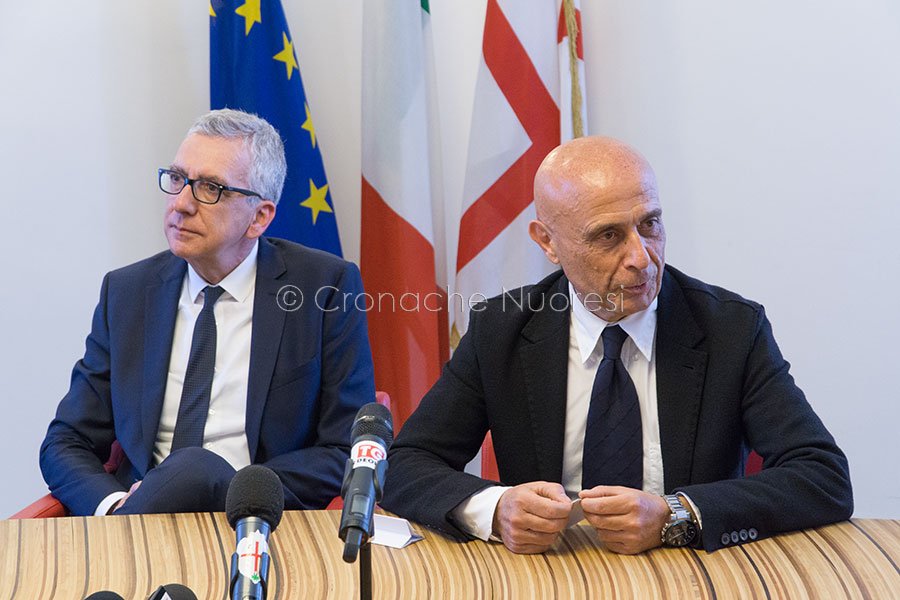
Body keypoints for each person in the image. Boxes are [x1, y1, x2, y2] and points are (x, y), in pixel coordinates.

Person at [381, 136, 852, 554]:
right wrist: (496, 506)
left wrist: (678, 515)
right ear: (548, 242)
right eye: (608, 236)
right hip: (547, 574)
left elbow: (822, 477)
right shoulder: (501, 329)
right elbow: (406, 465)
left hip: (689, 570)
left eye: (649, 224)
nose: (641, 258)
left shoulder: (730, 329)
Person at [40, 109, 374, 516]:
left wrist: (225, 490)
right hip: (136, 518)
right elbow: (66, 440)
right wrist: (112, 508)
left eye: (210, 188)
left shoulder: (324, 288)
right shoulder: (127, 292)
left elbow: (346, 449)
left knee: (195, 468)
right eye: (178, 178)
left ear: (260, 217)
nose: (181, 204)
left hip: (258, 521)